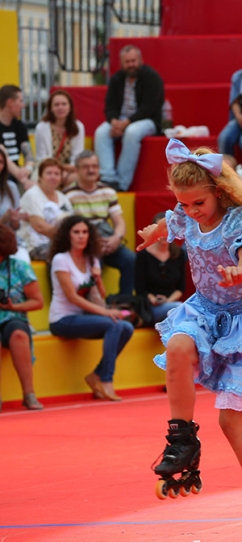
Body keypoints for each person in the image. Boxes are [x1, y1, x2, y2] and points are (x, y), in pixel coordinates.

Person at [136, 139, 242, 540]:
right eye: (183, 204)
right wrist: (154, 232)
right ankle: (182, 439)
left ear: (218, 191)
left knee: (230, 421)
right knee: (176, 346)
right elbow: (170, 224)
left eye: (198, 203)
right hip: (203, 311)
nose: (191, 211)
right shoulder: (185, 216)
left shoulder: (237, 219)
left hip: (241, 322)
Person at [49, 215, 134, 401]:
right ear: (67, 235)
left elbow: (101, 296)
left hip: (83, 316)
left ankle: (96, 375)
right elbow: (72, 297)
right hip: (62, 319)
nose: (81, 236)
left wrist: (98, 278)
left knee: (126, 327)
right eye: (76, 232)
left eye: (85, 232)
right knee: (113, 324)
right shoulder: (60, 259)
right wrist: (106, 312)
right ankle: (106, 380)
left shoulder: (92, 259)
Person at [63, 151, 135, 296]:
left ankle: (125, 302)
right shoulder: (68, 194)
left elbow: (119, 222)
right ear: (76, 170)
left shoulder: (108, 191)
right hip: (85, 244)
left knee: (131, 260)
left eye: (95, 166)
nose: (91, 170)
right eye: (86, 167)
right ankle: (94, 304)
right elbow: (68, 228)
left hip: (106, 240)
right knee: (94, 263)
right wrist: (92, 244)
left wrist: (116, 238)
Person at [94, 45, 164, 191]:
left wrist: (126, 123)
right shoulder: (116, 79)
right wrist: (114, 122)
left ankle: (121, 183)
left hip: (147, 121)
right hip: (121, 119)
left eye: (133, 61)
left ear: (140, 60)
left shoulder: (152, 78)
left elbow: (149, 108)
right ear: (122, 63)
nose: (131, 64)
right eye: (127, 62)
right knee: (101, 132)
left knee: (132, 132)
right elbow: (110, 106)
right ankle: (108, 178)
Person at [0, 224, 44, 411]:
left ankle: (29, 394)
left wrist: (13, 306)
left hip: (13, 315)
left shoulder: (20, 267)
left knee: (19, 334)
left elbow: (38, 301)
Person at [135, 212, 187, 324]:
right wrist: (153, 299)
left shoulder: (179, 254)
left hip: (172, 304)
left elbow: (180, 288)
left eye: (168, 228)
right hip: (149, 307)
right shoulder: (143, 256)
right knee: (180, 309)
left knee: (180, 308)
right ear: (153, 231)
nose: (165, 233)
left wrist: (167, 301)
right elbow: (139, 289)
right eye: (161, 229)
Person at [18, 158, 73, 260]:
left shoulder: (63, 198)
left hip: (58, 242)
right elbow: (40, 227)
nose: (53, 177)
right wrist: (68, 237)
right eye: (49, 173)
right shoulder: (32, 195)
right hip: (33, 246)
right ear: (40, 177)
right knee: (60, 255)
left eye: (57, 174)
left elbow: (71, 223)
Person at [34, 90, 85, 188]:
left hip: (70, 170)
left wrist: (68, 168)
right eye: (56, 105)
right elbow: (42, 158)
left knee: (78, 178)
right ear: (51, 108)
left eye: (64, 104)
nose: (60, 107)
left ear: (70, 107)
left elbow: (77, 156)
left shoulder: (78, 126)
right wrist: (62, 167)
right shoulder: (41, 127)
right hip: (47, 169)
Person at [0, 85, 35, 189]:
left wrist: (28, 168)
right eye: (20, 101)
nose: (23, 105)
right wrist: (24, 180)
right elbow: (3, 157)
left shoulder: (19, 126)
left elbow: (28, 152)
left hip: (18, 173)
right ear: (10, 102)